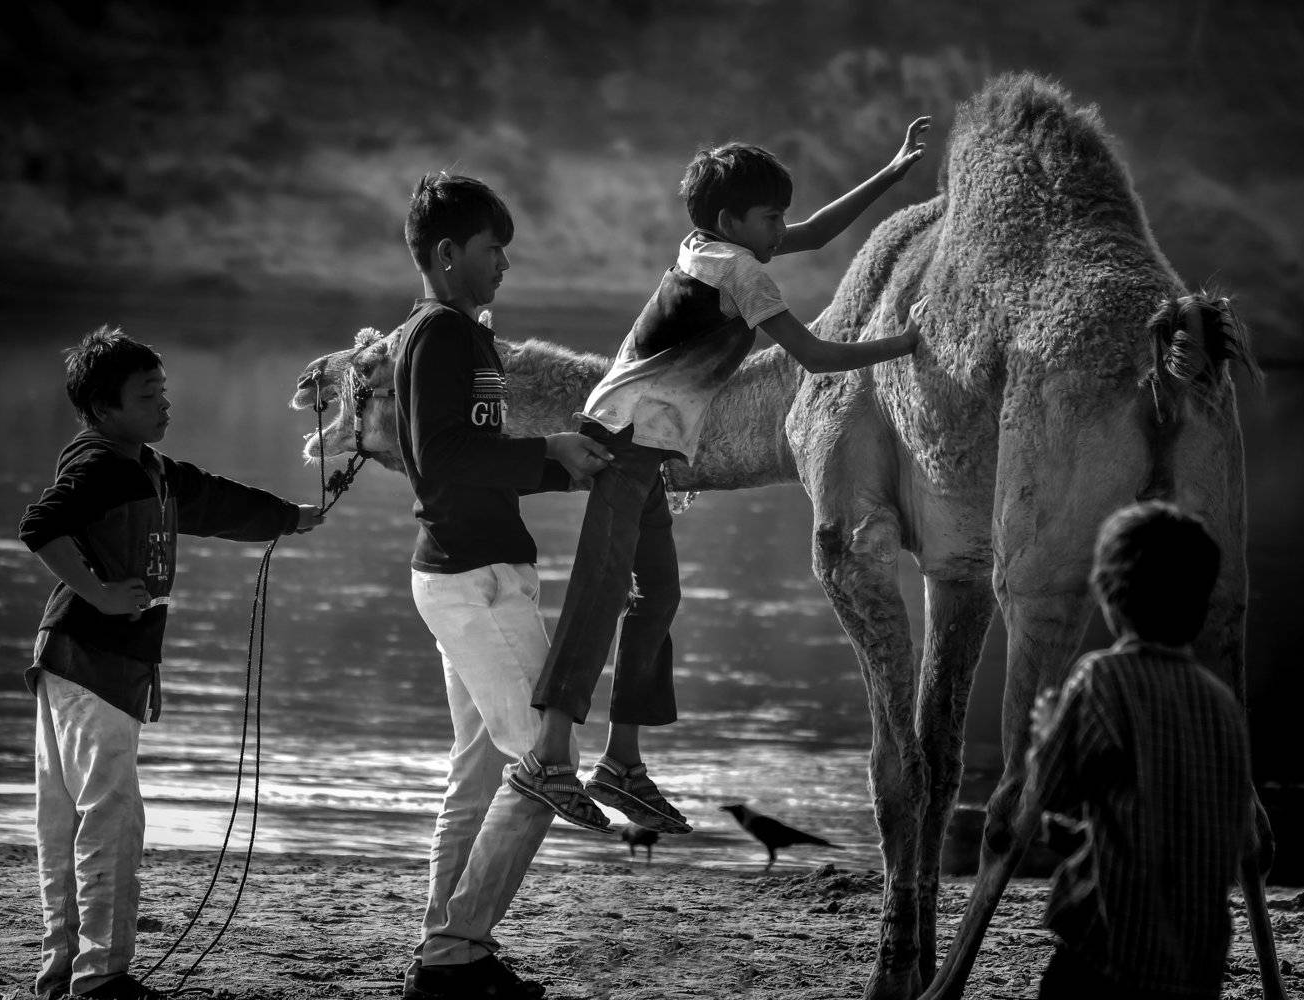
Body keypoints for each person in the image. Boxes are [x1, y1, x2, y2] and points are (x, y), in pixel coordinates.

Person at [508, 120, 935, 835]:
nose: (781, 229)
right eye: (770, 218)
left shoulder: (706, 246)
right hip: (624, 440)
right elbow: (816, 357)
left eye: (780, 216)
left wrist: (892, 171)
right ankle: (548, 759)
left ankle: (621, 764)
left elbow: (816, 232)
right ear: (733, 221)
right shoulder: (738, 272)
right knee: (601, 591)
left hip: (645, 446)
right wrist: (907, 343)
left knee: (657, 594)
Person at [19, 328, 323, 1000]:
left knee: (70, 818)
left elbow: (215, 501)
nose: (164, 405)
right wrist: (100, 591)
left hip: (85, 661)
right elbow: (40, 526)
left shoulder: (149, 468)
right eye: (147, 396)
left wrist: (288, 517)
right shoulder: (99, 467)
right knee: (110, 815)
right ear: (104, 409)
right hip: (89, 659)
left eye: (163, 392)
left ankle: (63, 974)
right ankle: (99, 978)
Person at [393, 172, 612, 1000]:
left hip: (478, 568)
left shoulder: (465, 337)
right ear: (448, 254)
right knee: (548, 761)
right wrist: (548, 451)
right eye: (493, 250)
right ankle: (453, 953)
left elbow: (480, 462)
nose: (505, 265)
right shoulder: (439, 337)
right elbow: (443, 460)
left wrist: (566, 470)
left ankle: (447, 948)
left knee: (479, 774)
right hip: (470, 577)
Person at [1025, 501, 1256, 1000]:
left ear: (1109, 595)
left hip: (1111, 951)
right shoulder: (1221, 703)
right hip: (1198, 966)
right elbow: (1210, 830)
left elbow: (1054, 792)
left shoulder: (1102, 677)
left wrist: (1046, 734)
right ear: (1201, 603)